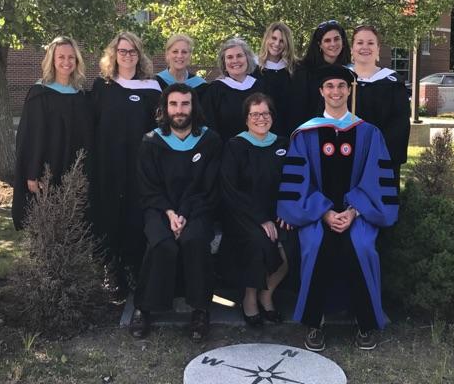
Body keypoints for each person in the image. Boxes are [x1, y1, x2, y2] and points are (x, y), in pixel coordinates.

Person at [277, 65, 398, 352]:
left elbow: (376, 179)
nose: (335, 91)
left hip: (359, 213)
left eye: (341, 86)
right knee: (316, 245)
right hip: (317, 214)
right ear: (321, 92)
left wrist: (353, 210)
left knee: (362, 247)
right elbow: (298, 182)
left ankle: (365, 323)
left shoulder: (369, 133)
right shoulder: (305, 134)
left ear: (349, 90)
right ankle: (314, 323)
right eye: (329, 86)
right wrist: (325, 212)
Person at [131, 83, 222, 342]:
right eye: (174, 104)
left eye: (185, 104)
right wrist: (171, 213)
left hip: (199, 209)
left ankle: (200, 309)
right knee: (162, 243)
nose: (179, 110)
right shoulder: (151, 142)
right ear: (165, 108)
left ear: (193, 106)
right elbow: (148, 187)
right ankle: (144, 307)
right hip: (159, 209)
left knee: (194, 240)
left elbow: (208, 187)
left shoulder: (209, 140)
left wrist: (184, 213)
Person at [92, 31, 162, 299]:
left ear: (139, 55)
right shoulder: (103, 87)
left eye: (133, 51)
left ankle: (134, 266)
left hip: (139, 166)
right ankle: (112, 269)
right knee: (110, 213)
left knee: (135, 215)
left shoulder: (152, 89)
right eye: (122, 51)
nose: (128, 56)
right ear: (114, 54)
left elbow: (159, 130)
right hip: (108, 164)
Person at [219, 92, 289, 327]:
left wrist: (286, 213)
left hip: (279, 213)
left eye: (266, 113)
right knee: (258, 241)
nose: (261, 118)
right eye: (255, 114)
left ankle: (266, 293)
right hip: (243, 214)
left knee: (293, 244)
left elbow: (293, 182)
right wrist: (261, 219)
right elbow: (231, 189)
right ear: (246, 118)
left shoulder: (283, 144)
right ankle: (250, 298)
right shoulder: (235, 146)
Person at [12, 36, 93, 231]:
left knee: (73, 222)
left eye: (71, 57)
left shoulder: (80, 95)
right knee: (48, 224)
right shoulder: (40, 93)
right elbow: (29, 137)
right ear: (52, 60)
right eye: (61, 57)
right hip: (47, 169)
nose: (66, 62)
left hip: (74, 167)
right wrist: (32, 172)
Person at [350, 25, 410, 190]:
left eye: (370, 43)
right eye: (360, 42)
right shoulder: (339, 80)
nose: (365, 47)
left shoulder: (392, 82)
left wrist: (374, 151)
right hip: (344, 156)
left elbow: (400, 124)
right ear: (352, 48)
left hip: (381, 156)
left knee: (378, 205)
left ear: (378, 49)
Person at [289, 20, 351, 127]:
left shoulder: (350, 71)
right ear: (319, 45)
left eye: (336, 39)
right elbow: (297, 109)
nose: (333, 44)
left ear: (343, 41)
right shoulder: (304, 71)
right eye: (327, 40)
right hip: (311, 131)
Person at [202, 38, 265, 142]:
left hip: (259, 149)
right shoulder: (214, 91)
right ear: (224, 64)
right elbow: (209, 127)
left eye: (239, 56)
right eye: (230, 57)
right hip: (227, 152)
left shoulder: (260, 87)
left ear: (247, 59)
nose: (235, 60)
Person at [252, 22, 298, 135]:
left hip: (290, 132)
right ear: (267, 38)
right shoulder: (253, 70)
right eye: (274, 38)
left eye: (282, 41)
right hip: (262, 132)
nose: (277, 44)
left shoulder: (295, 70)